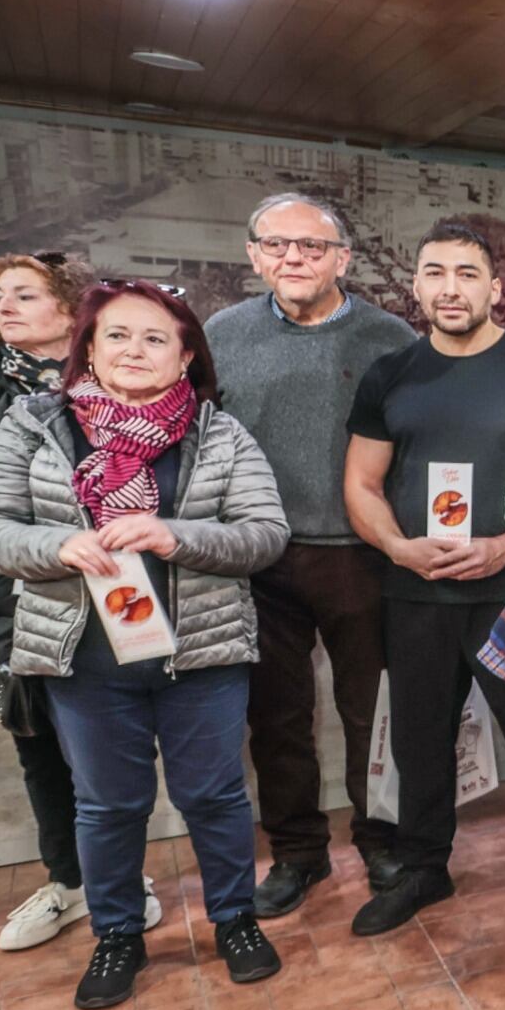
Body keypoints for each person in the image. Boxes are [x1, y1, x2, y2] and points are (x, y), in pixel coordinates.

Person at [0, 280, 290, 1009]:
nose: (134, 350)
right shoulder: (36, 425)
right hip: (85, 658)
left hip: (201, 652)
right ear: (88, 346)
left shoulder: (218, 432)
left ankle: (234, 919)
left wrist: (179, 536)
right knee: (107, 804)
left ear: (184, 356)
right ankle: (117, 933)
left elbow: (265, 533)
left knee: (215, 794)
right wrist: (59, 545)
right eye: (117, 335)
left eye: (154, 338)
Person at [0, 254, 163, 950]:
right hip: (6, 594)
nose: (4, 307)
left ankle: (126, 879)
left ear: (70, 304)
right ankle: (68, 881)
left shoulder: (115, 377)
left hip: (110, 590)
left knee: (109, 743)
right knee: (37, 741)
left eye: (25, 294)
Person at [341, 221, 505, 936]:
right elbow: (360, 481)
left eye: (467, 274)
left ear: (495, 289)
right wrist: (398, 547)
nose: (451, 287)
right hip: (415, 591)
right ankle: (424, 868)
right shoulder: (390, 375)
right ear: (416, 286)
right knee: (420, 739)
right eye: (436, 273)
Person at [205, 193, 415, 919]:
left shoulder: (391, 337)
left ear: (343, 259)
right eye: (278, 245)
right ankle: (297, 852)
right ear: (254, 254)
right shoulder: (219, 336)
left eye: (313, 247)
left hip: (361, 554)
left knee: (372, 712)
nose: (294, 258)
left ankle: (381, 835)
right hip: (259, 558)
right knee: (278, 716)